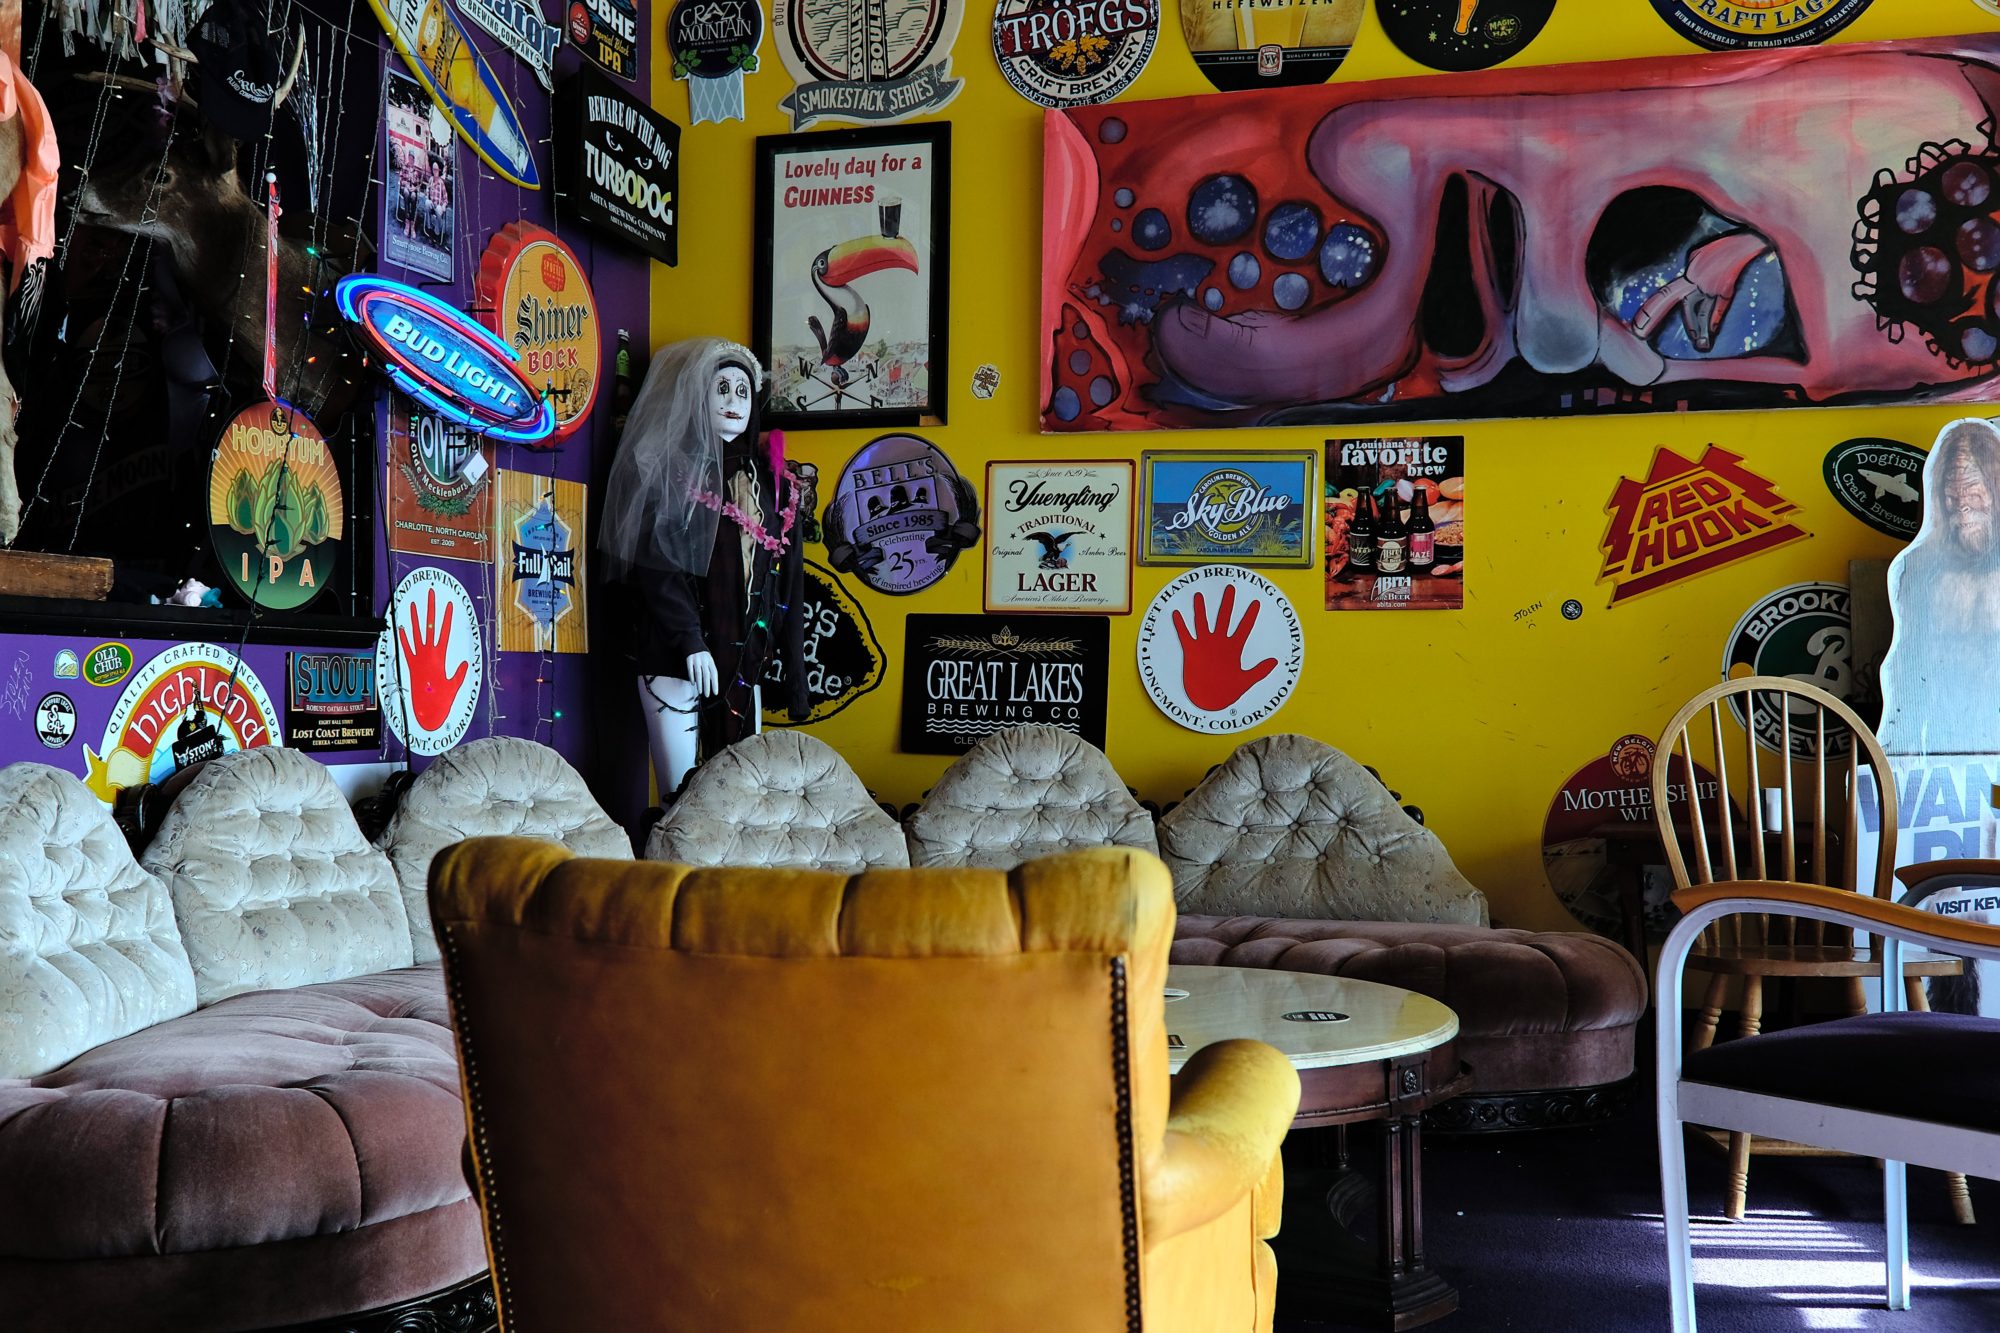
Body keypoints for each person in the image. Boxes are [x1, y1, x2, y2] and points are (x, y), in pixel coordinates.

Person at [599, 338, 809, 797]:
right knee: (679, 797)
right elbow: (657, 567)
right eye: (722, 389)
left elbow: (788, 582)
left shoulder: (776, 486)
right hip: (675, 660)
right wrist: (690, 641)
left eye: (742, 391)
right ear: (700, 396)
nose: (733, 401)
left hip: (743, 663)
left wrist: (795, 671)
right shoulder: (673, 473)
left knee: (736, 799)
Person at [1879, 417, 2000, 757]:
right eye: (1950, 497)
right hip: (1937, 742)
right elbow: (1904, 671)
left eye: (1974, 493)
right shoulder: (1918, 569)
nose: (1961, 507)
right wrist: (1901, 753)